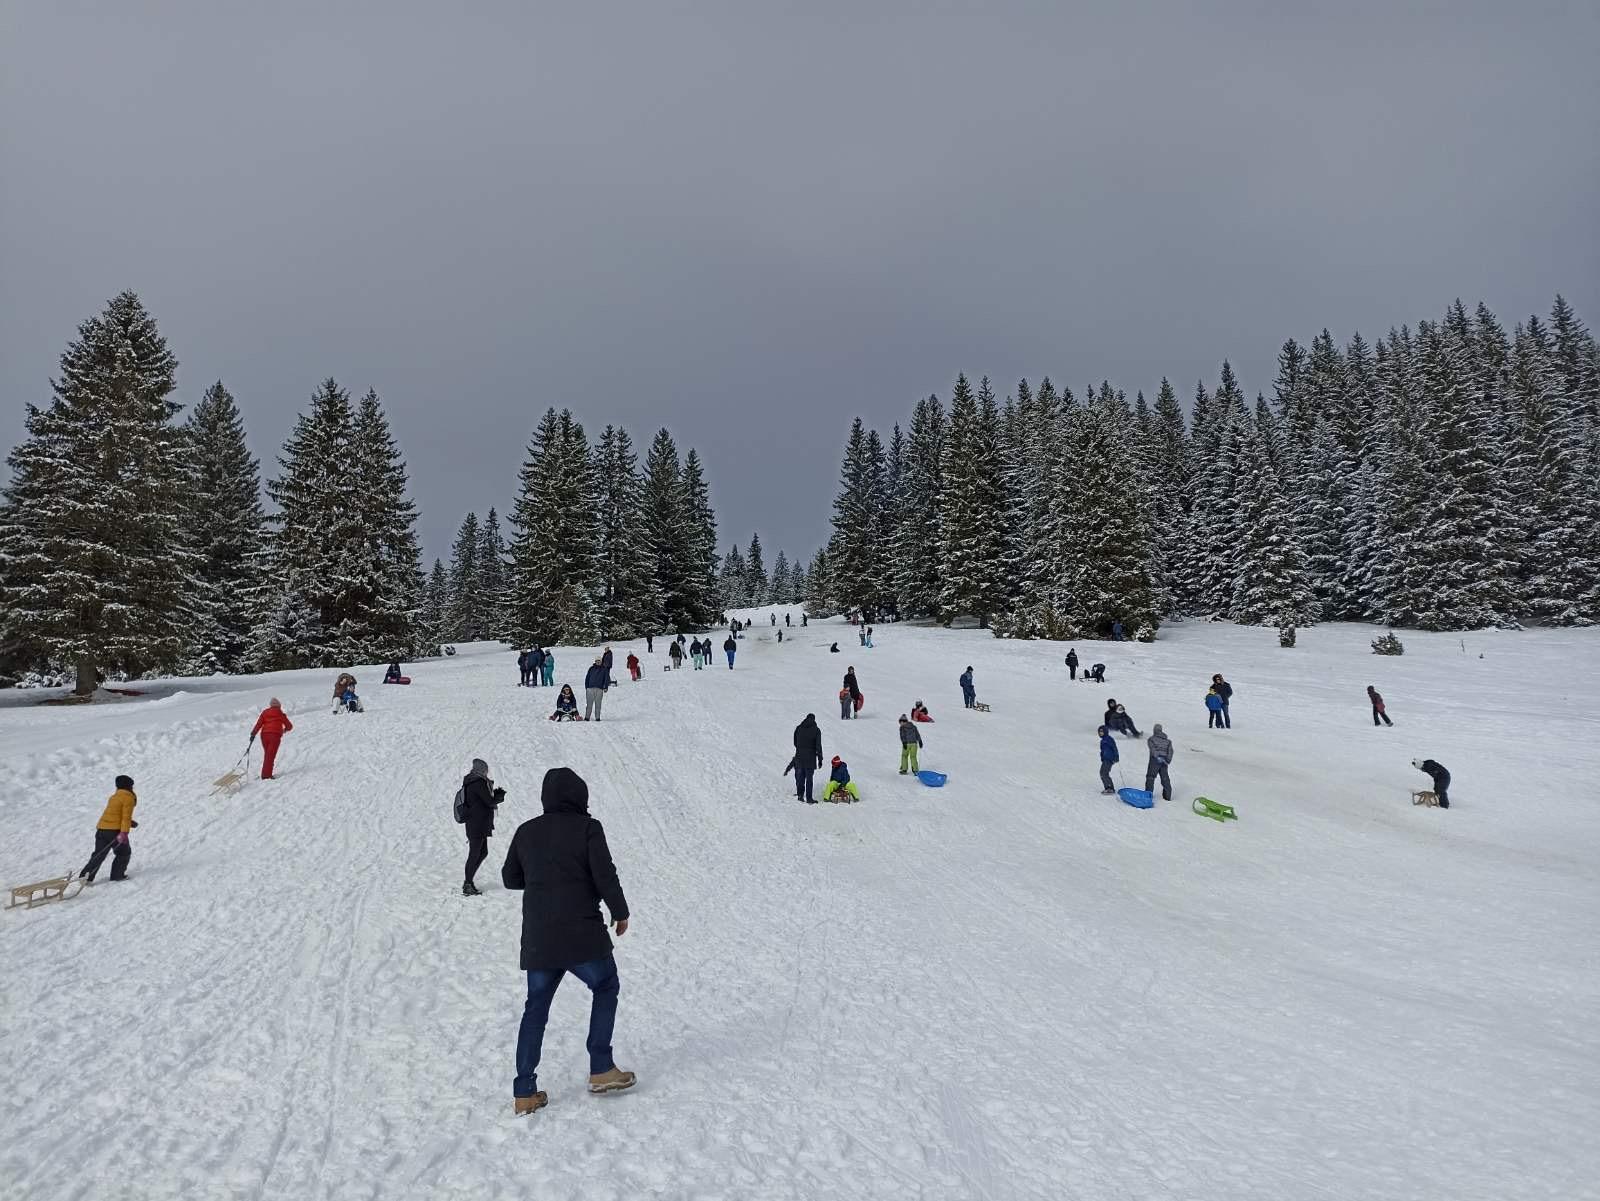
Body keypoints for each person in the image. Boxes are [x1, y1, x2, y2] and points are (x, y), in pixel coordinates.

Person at [502, 767, 635, 1115]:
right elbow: (604, 874)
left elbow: (510, 877)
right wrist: (620, 912)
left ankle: (524, 1091)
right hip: (581, 935)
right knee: (606, 985)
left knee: (536, 1009)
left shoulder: (526, 831)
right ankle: (601, 1067)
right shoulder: (588, 828)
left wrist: (542, 877)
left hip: (539, 939)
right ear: (580, 796)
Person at [461, 758, 506, 896]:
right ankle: (468, 884)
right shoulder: (478, 782)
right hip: (477, 824)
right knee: (475, 853)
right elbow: (489, 801)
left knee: (482, 852)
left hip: (476, 823)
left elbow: (484, 799)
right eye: (486, 769)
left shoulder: (471, 781)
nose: (487, 772)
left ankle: (468, 881)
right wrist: (499, 796)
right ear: (481, 769)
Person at [79, 775, 137, 883]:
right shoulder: (128, 797)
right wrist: (124, 832)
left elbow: (114, 814)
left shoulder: (114, 796)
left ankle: (85, 877)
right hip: (114, 831)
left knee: (99, 854)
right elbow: (125, 816)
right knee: (123, 853)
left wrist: (130, 823)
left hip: (102, 829)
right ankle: (117, 875)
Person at [250, 698, 294, 780]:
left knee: (268, 755)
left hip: (264, 736)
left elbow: (258, 724)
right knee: (270, 756)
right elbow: (289, 726)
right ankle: (266, 776)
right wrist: (284, 730)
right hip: (274, 736)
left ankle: (266, 773)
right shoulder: (280, 714)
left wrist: (253, 733)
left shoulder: (265, 713)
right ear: (279, 706)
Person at [792, 713, 823, 803]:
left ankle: (800, 795)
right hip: (810, 758)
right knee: (809, 779)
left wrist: (800, 748)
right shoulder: (816, 730)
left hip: (799, 756)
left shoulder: (798, 728)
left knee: (800, 776)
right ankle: (809, 798)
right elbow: (818, 746)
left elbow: (795, 742)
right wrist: (820, 759)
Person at [1144, 725, 1174, 801]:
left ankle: (1148, 795)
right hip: (1164, 761)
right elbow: (1170, 751)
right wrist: (1167, 760)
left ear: (1154, 730)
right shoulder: (1168, 741)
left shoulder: (1151, 739)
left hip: (1155, 760)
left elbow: (1152, 749)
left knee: (1150, 777)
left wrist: (1157, 756)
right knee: (1165, 778)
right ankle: (1167, 796)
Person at [1097, 726, 1119, 795]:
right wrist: (1102, 756)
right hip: (1105, 759)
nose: (1100, 733)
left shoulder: (1109, 739)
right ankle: (1108, 787)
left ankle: (1110, 788)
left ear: (1105, 732)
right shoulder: (1102, 741)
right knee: (1102, 772)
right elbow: (1102, 750)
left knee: (1104, 773)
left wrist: (1116, 757)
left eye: (1102, 732)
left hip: (1110, 759)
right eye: (1099, 732)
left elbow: (1114, 748)